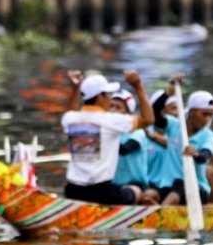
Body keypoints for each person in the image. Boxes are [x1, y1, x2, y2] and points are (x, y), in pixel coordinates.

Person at [62, 69, 156, 205]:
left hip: (72, 190)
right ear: (100, 97)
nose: (110, 98)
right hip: (101, 194)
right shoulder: (112, 120)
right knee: (136, 190)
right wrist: (138, 86)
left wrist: (76, 89)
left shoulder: (70, 119)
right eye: (108, 94)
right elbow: (149, 120)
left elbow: (71, 111)